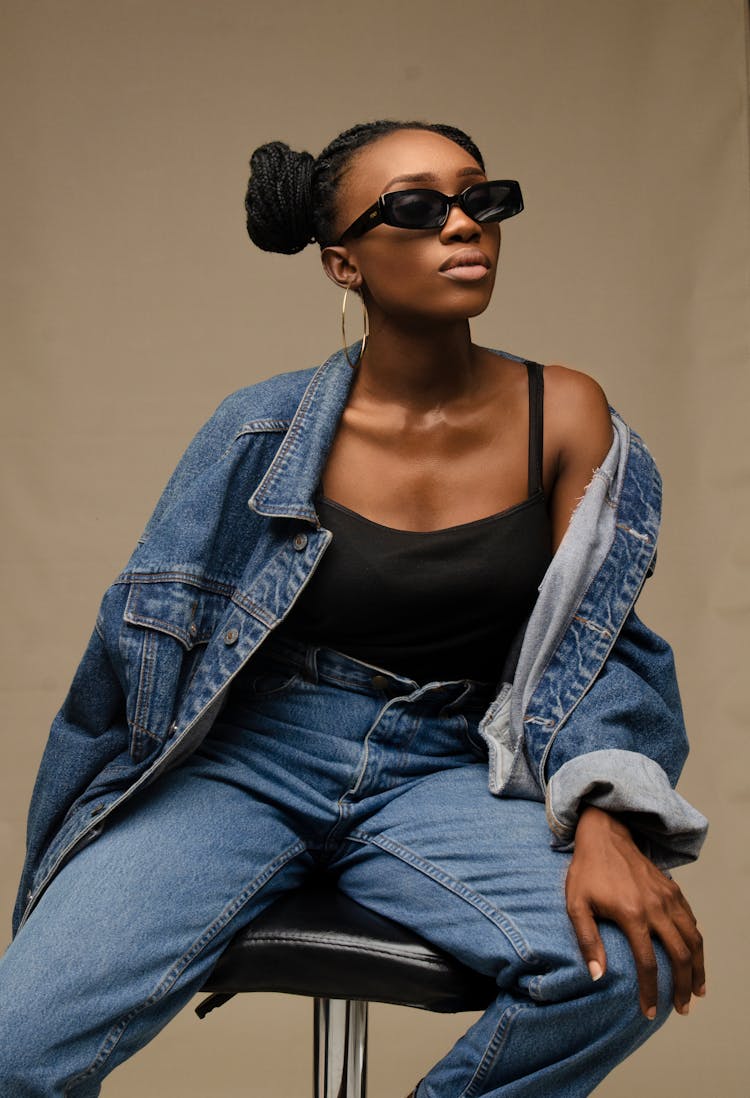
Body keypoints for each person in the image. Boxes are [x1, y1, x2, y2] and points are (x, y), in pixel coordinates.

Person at [0, 119, 708, 1097]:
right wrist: (77, 849)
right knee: (14, 1047)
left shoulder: (568, 414)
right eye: (417, 209)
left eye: (479, 198)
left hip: (451, 762)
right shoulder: (257, 428)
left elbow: (601, 638)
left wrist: (606, 818)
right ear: (345, 263)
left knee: (630, 963)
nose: (463, 226)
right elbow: (134, 655)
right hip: (252, 759)